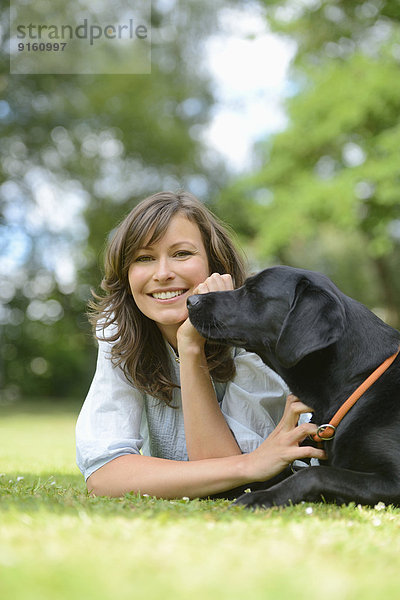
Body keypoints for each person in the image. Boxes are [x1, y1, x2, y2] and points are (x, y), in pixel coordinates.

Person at [76, 190, 325, 499]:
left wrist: (191, 346)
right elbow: (103, 473)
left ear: (214, 265)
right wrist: (250, 464)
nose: (163, 273)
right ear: (126, 275)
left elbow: (230, 485)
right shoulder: (120, 333)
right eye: (144, 258)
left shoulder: (258, 335)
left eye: (182, 253)